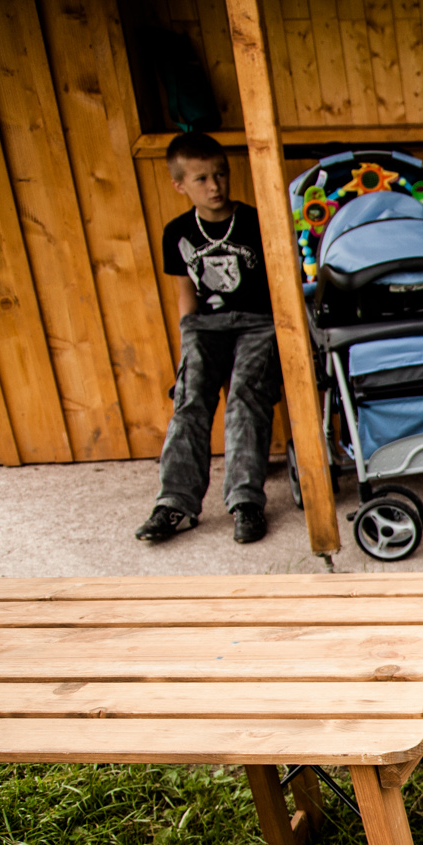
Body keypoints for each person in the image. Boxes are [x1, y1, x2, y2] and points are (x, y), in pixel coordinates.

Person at [135, 132, 281, 546]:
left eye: (220, 175)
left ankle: (245, 501)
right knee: (190, 398)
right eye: (201, 179)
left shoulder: (254, 221)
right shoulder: (176, 232)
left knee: (245, 396)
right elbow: (186, 297)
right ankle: (175, 503)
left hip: (258, 322)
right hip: (206, 326)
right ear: (179, 185)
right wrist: (189, 348)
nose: (215, 186)